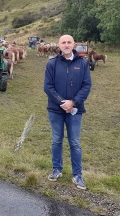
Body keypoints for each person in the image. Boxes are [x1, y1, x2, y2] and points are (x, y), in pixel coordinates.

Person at [44, 35, 92, 190]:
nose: (66, 45)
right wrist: (62, 102)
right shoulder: (52, 63)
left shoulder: (82, 63)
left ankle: (77, 174)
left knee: (75, 143)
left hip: (75, 110)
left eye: (69, 42)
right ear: (58, 45)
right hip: (55, 110)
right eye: (63, 42)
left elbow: (86, 85)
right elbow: (48, 87)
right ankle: (57, 169)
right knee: (56, 140)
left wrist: (73, 102)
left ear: (74, 45)